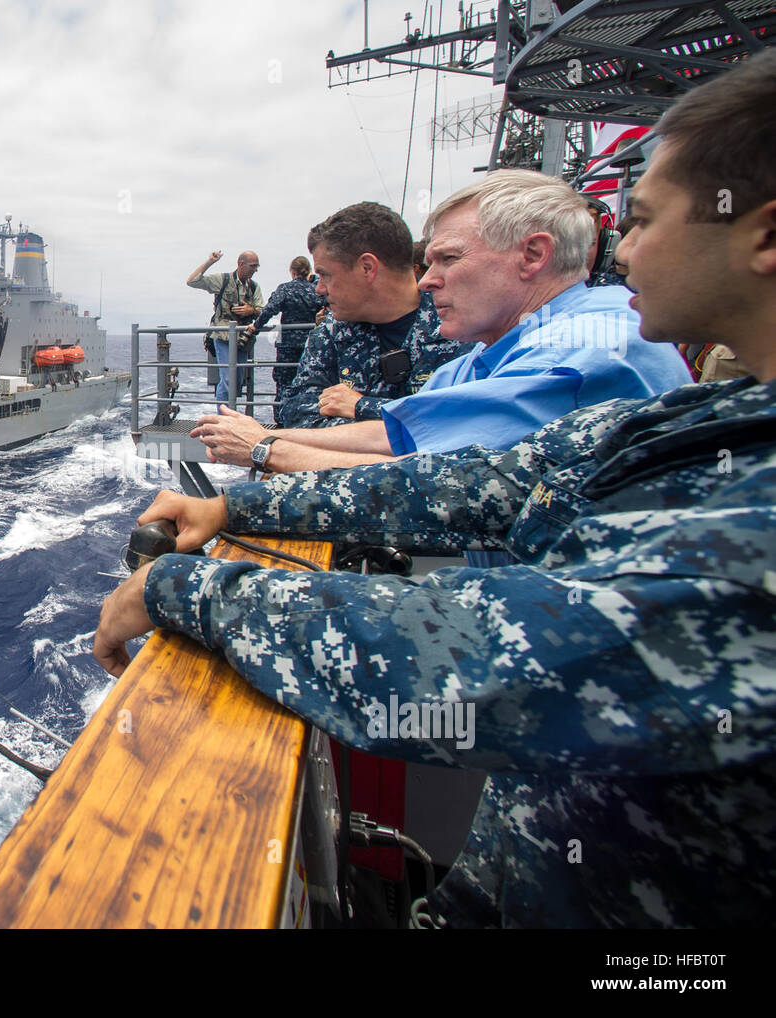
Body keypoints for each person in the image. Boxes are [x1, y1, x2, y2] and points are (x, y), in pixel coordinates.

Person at [93, 48, 776, 927]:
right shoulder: (717, 418)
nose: (625, 243)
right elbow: (473, 484)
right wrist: (236, 504)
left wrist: (184, 588)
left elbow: (486, 662)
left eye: (644, 218)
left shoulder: (607, 356)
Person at [191, 171, 690, 474]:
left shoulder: (585, 348)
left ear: (533, 254)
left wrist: (265, 450)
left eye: (448, 259)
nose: (428, 280)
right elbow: (398, 431)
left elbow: (429, 476)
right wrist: (267, 438)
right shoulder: (491, 351)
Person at [272, 203, 461, 432]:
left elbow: (456, 428)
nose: (319, 289)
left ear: (367, 268)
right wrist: (397, 421)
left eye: (326, 275)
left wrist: (361, 407)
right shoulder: (333, 332)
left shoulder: (460, 329)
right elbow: (297, 413)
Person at [243, 256, 325, 423]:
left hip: (288, 344)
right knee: (307, 382)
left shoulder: (285, 289)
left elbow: (269, 309)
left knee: (283, 383)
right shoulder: (313, 290)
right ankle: (304, 420)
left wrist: (255, 326)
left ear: (292, 272)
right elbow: (327, 305)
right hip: (309, 344)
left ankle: (281, 421)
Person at [187, 249, 263, 403]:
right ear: (241, 264)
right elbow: (192, 281)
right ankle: (223, 418)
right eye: (253, 266)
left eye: (257, 266)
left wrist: (251, 310)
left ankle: (229, 416)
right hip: (223, 336)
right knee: (228, 379)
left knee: (237, 380)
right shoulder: (224, 280)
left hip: (243, 338)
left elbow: (262, 311)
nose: (255, 270)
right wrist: (210, 262)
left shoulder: (254, 287)